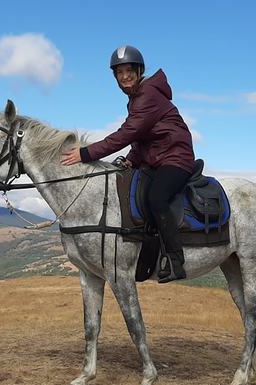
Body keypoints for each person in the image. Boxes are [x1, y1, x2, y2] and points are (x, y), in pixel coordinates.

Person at [61, 45, 195, 283]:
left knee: (157, 198)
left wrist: (86, 153)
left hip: (175, 158)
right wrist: (130, 160)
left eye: (129, 71)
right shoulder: (136, 99)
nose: (124, 76)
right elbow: (140, 139)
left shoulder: (148, 95)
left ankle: (175, 260)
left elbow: (126, 134)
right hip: (156, 159)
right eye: (119, 73)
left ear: (139, 70)